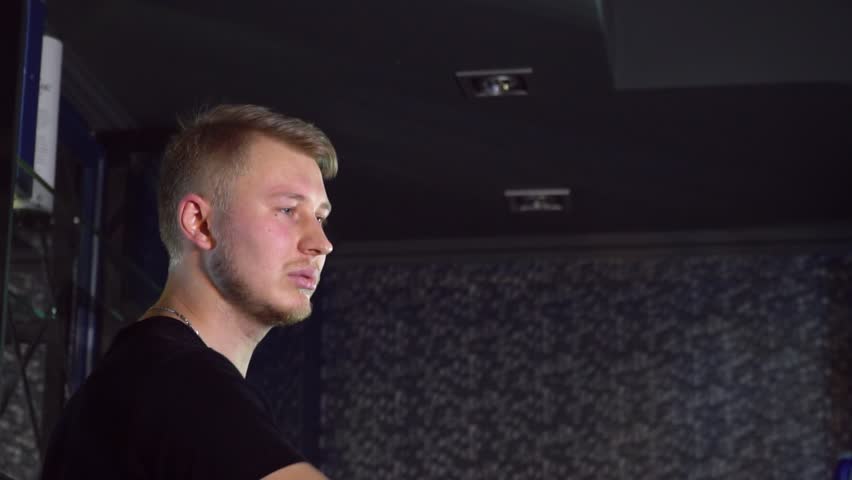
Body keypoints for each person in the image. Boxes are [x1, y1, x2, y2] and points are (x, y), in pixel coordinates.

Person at [41, 104, 337, 479]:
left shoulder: (140, 374)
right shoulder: (177, 379)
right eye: (287, 210)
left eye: (320, 217)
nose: (321, 243)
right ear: (199, 222)